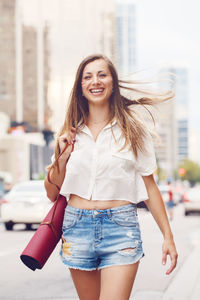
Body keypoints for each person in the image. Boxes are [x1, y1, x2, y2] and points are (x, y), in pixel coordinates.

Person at [44, 54, 178, 300]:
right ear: (81, 87)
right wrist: (62, 157)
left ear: (113, 83)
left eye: (102, 74)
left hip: (120, 228)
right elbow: (52, 193)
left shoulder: (133, 131)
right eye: (88, 76)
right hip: (77, 227)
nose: (95, 81)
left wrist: (167, 236)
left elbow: (150, 188)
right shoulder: (69, 133)